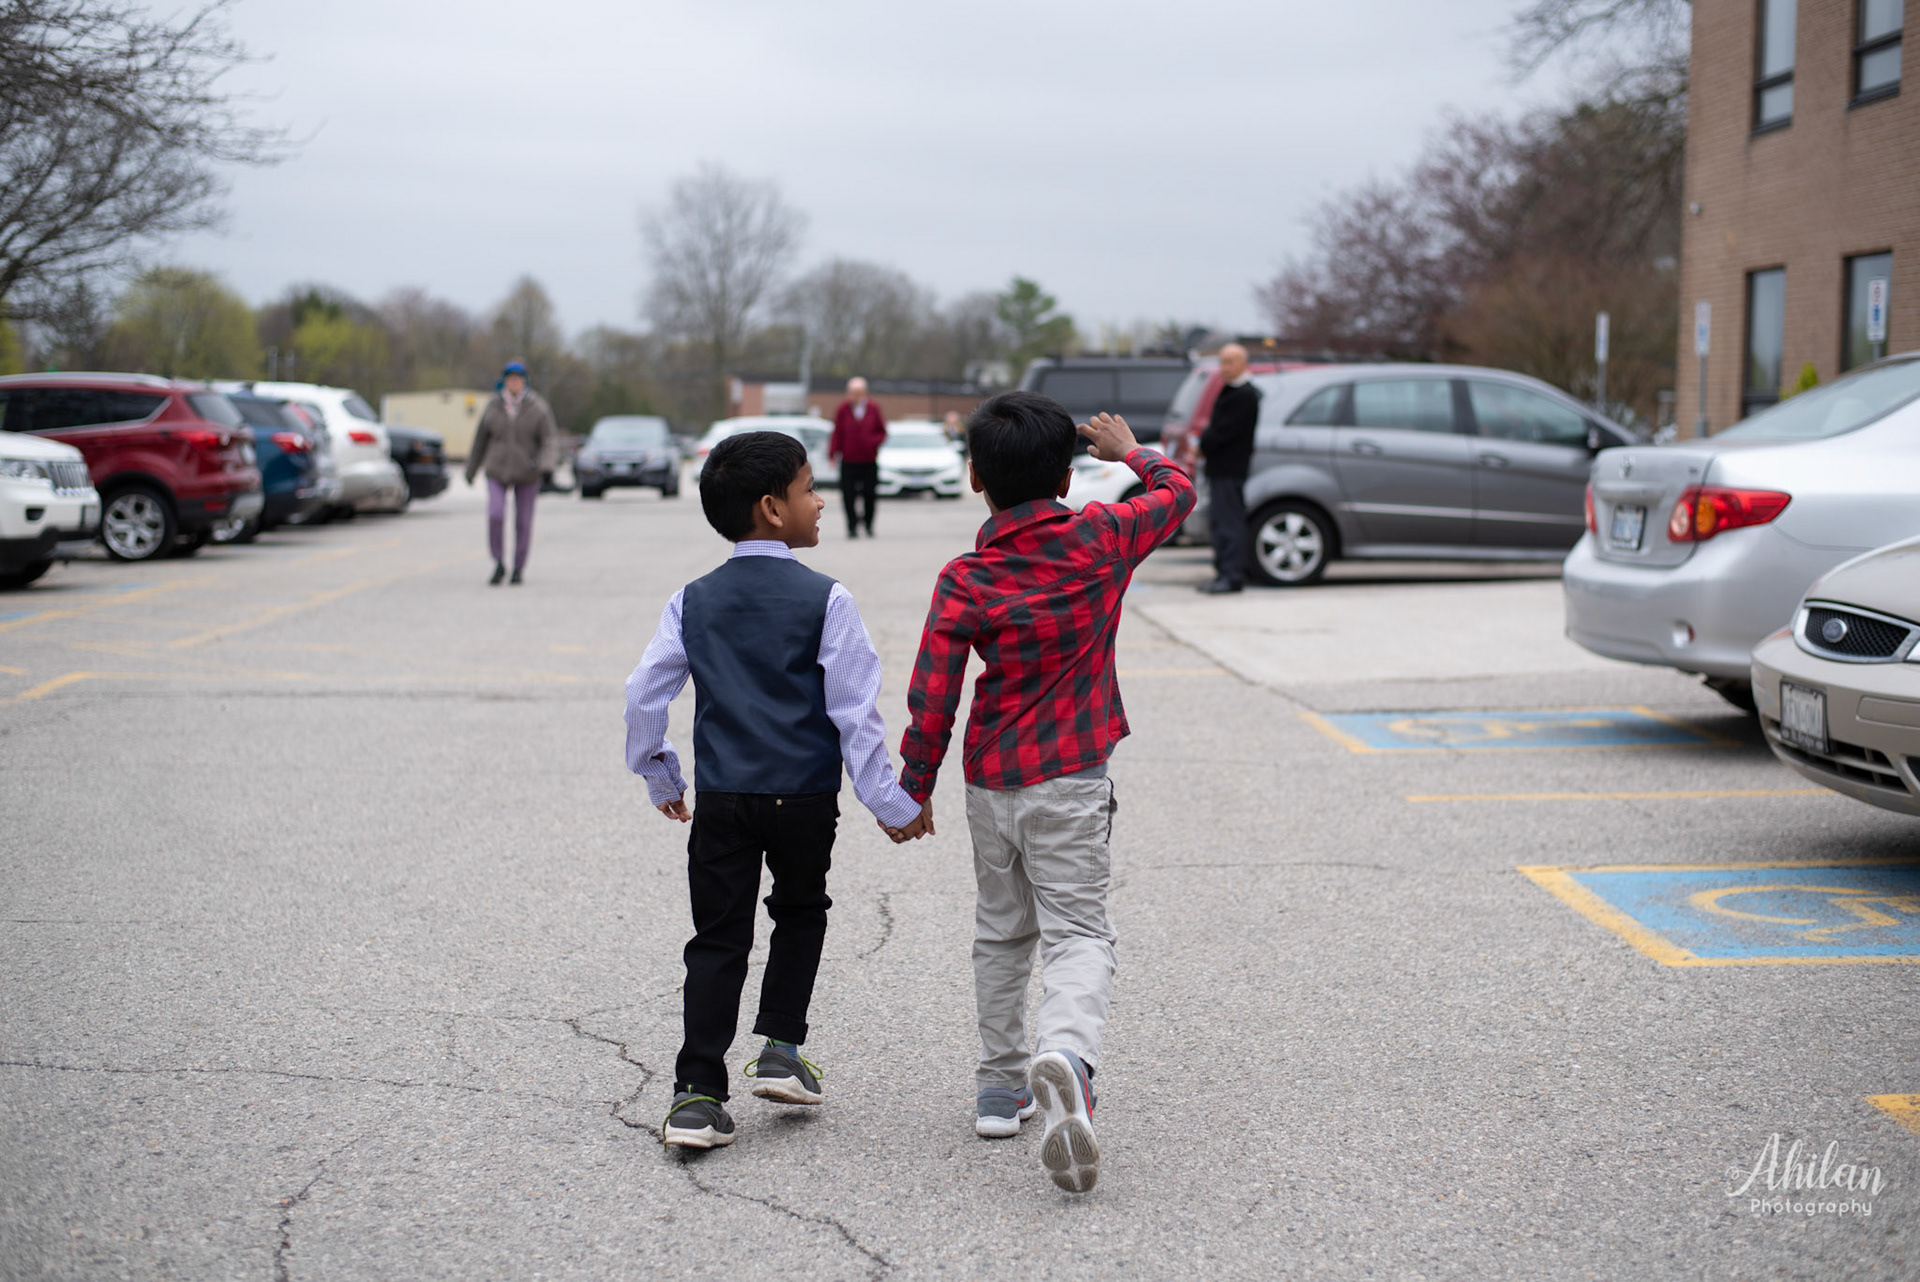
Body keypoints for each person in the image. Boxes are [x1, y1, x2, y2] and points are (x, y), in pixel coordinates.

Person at [892, 392, 1195, 1192]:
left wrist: (912, 788)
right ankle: (1065, 1056)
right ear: (1066, 476)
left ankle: (1001, 1087)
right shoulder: (1103, 536)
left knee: (1002, 930)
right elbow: (1178, 493)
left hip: (992, 779)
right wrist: (1131, 452)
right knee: (1078, 932)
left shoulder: (966, 578)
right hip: (1071, 778)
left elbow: (932, 695)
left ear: (974, 478)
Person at [623, 430, 927, 1151]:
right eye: (808, 489)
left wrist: (662, 774)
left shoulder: (692, 600)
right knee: (799, 912)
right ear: (771, 507)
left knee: (718, 938)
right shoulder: (827, 598)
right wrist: (892, 804)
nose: (819, 501)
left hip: (724, 799)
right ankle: (782, 1051)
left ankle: (696, 1095)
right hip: (805, 798)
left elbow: (643, 695)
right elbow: (854, 713)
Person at [465, 361, 557, 585]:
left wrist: (546, 467)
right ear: (504, 381)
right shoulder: (493, 406)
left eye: (518, 379)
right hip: (497, 469)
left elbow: (549, 441)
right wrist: (471, 469)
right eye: (510, 379)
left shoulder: (538, 408)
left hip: (527, 471)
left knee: (523, 522)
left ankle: (518, 567)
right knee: (495, 514)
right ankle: (498, 562)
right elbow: (480, 440)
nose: (514, 383)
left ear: (524, 382)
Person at [1197, 343, 1261, 594]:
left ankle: (1231, 575)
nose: (1224, 367)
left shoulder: (1244, 395)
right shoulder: (1231, 390)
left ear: (1244, 364)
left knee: (1229, 523)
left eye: (1229, 362)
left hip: (1230, 469)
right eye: (1222, 362)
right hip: (1220, 468)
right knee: (1220, 522)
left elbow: (1223, 432)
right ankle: (1224, 573)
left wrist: (1202, 445)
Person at [828, 376, 886, 538]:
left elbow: (882, 431)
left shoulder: (873, 408)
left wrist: (872, 442)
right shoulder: (843, 409)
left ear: (864, 393)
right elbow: (837, 432)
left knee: (869, 494)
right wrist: (833, 454)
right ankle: (852, 526)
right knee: (848, 495)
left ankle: (868, 524)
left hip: (868, 460)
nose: (854, 396)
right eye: (852, 392)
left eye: (858, 392)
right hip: (849, 460)